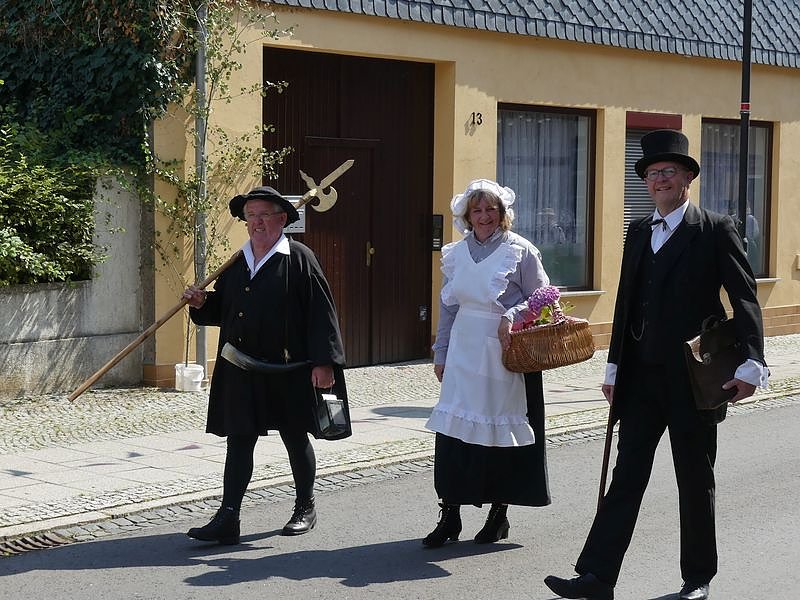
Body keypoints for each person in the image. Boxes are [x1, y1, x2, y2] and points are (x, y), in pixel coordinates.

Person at [544, 130, 769, 600]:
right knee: (625, 477)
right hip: (641, 377)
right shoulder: (639, 230)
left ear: (688, 177)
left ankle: (697, 580)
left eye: (669, 171)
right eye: (651, 173)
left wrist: (753, 361)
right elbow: (626, 301)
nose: (660, 179)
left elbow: (745, 297)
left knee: (694, 478)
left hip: (693, 378)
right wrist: (613, 366)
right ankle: (597, 577)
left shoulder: (713, 228)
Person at [182, 185, 348, 545]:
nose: (256, 222)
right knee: (239, 440)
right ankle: (228, 518)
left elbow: (323, 313)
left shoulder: (299, 257)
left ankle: (305, 506)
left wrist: (325, 363)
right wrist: (200, 303)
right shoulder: (237, 262)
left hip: (288, 369)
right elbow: (222, 309)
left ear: (282, 220)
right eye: (251, 215)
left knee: (294, 435)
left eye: (264, 214)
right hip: (242, 368)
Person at [423, 178, 552, 548]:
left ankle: (498, 515)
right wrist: (441, 352)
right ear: (466, 215)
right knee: (454, 435)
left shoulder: (520, 250)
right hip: (463, 351)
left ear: (502, 214)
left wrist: (512, 314)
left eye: (490, 209)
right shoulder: (454, 253)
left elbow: (543, 296)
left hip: (503, 355)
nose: (484, 216)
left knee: (498, 437)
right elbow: (448, 307)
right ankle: (450, 516)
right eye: (476, 210)